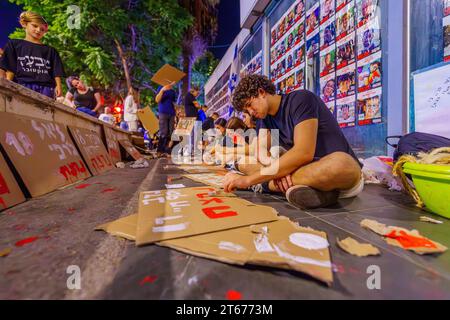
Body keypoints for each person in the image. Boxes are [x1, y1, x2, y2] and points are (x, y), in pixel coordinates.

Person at [224, 74, 363, 210]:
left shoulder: (300, 100)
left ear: (261, 92)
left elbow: (303, 153)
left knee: (340, 164)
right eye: (245, 110)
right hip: (299, 173)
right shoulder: (264, 119)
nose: (250, 112)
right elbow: (261, 152)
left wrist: (249, 180)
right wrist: (277, 170)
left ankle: (266, 185)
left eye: (249, 105)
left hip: (327, 170)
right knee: (245, 162)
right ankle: (319, 192)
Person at [0, 11, 64, 99]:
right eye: (35, 26)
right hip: (22, 84)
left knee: (45, 111)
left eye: (42, 29)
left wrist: (59, 86)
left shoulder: (51, 50)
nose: (38, 30)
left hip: (47, 88)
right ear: (24, 24)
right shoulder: (14, 44)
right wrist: (7, 85)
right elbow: (10, 67)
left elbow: (56, 70)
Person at [155, 82, 177, 156]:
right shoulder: (161, 87)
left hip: (172, 113)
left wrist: (176, 111)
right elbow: (157, 100)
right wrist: (162, 90)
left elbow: (173, 102)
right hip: (163, 113)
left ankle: (167, 151)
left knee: (171, 132)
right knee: (163, 132)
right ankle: (159, 151)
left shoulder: (172, 91)